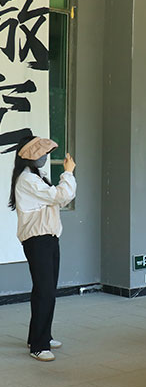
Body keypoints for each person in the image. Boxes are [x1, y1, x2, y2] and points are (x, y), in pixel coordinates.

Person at [5, 131, 76, 362]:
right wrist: (68, 172)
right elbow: (61, 196)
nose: (45, 157)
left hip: (47, 238)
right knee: (45, 291)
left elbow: (57, 198)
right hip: (38, 240)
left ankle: (40, 336)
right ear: (29, 157)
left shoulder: (37, 176)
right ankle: (38, 345)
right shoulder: (28, 179)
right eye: (41, 153)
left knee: (45, 290)